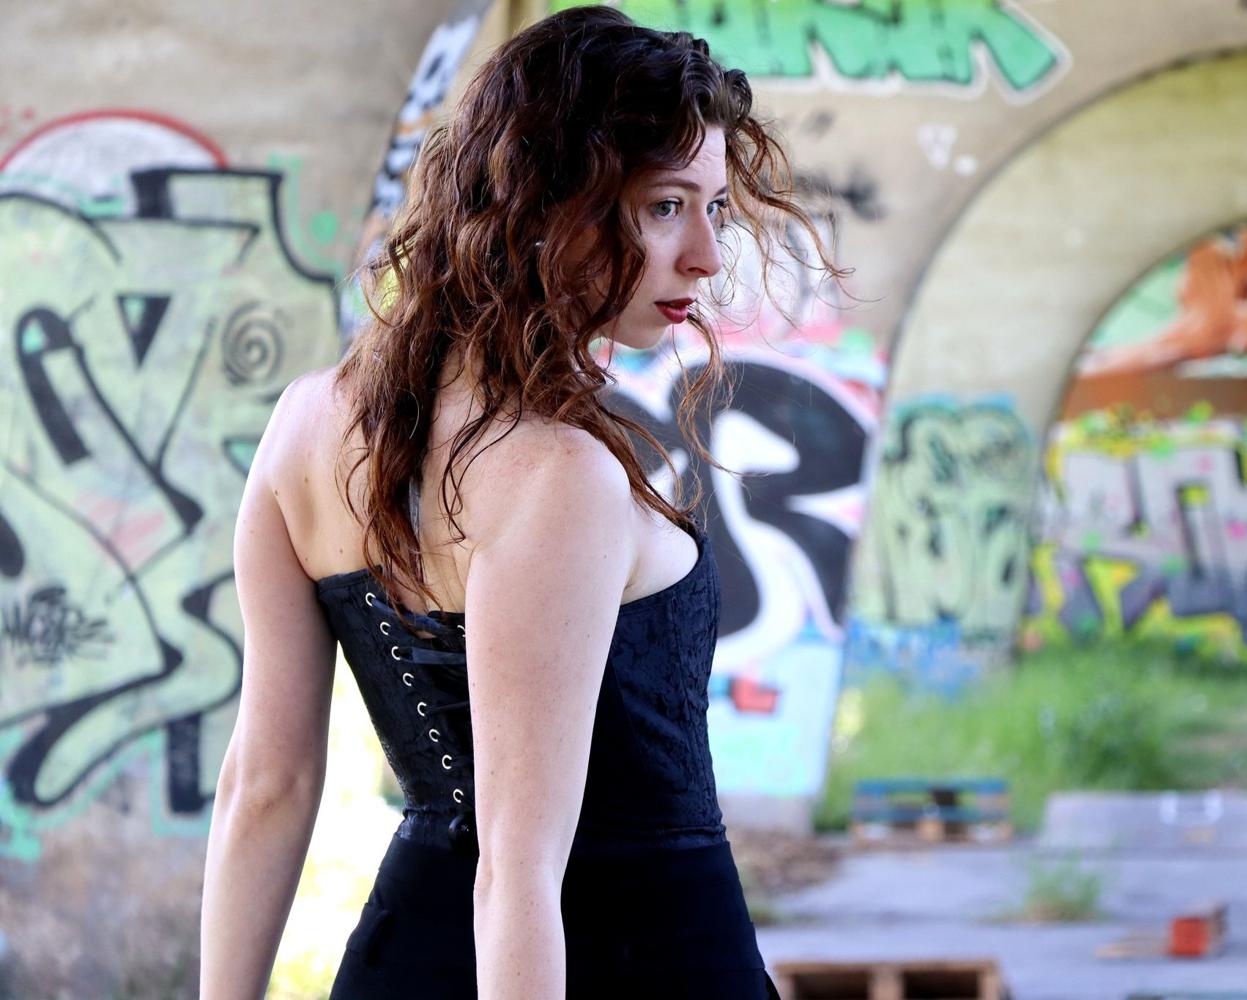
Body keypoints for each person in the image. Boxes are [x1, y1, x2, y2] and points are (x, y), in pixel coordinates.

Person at [198, 6, 839, 998]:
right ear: (548, 200)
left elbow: (264, 786)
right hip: (630, 967)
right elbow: (518, 869)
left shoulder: (302, 428)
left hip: (405, 962)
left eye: (714, 207)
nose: (706, 255)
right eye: (665, 206)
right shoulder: (558, 473)